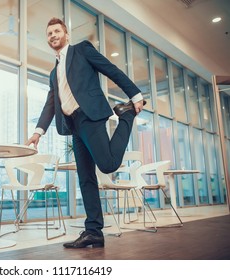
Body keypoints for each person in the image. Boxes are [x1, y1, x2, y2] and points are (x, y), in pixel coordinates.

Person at [26, 17, 145, 249]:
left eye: (57, 31)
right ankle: (93, 232)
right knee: (86, 179)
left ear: (66, 34)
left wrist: (135, 94)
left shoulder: (81, 50)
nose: (53, 35)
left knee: (108, 165)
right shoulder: (53, 73)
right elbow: (51, 104)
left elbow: (110, 69)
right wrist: (38, 132)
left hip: (89, 116)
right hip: (73, 125)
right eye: (49, 33)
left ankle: (127, 115)